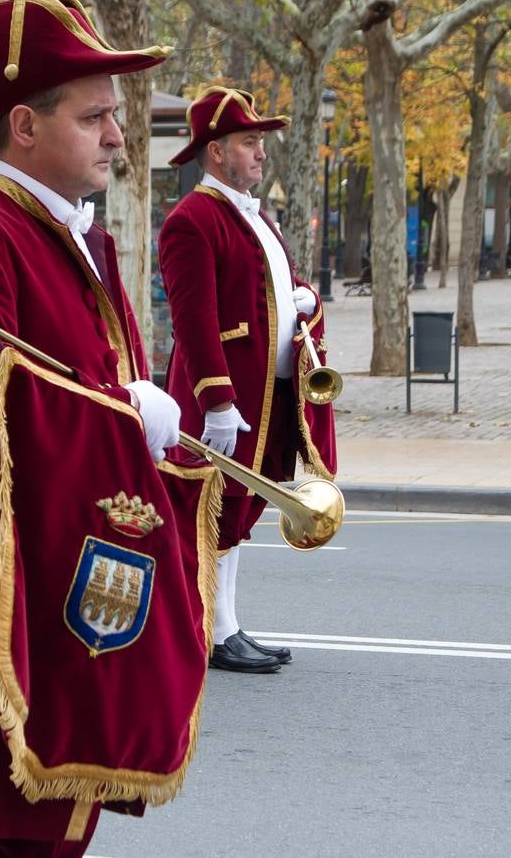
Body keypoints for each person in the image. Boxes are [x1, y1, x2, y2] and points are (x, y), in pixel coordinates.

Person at [0, 0, 220, 856]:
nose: (117, 134)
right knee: (10, 837)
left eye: (113, 117)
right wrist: (123, 412)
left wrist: (145, 414)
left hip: (62, 563)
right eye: (96, 117)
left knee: (54, 835)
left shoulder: (77, 234)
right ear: (24, 127)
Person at [159, 86, 337, 673]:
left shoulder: (253, 216)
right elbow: (193, 317)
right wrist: (214, 401)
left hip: (267, 395)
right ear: (216, 152)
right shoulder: (193, 219)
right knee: (215, 511)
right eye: (250, 142)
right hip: (230, 399)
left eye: (260, 142)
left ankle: (225, 624)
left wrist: (302, 296)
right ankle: (213, 630)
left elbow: (268, 290)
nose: (261, 154)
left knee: (235, 514)